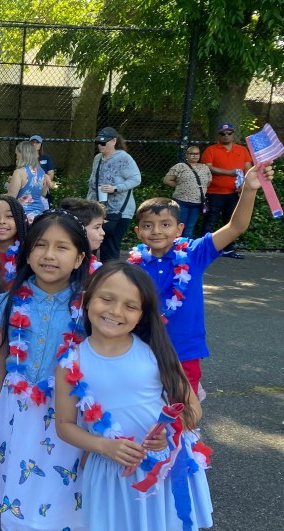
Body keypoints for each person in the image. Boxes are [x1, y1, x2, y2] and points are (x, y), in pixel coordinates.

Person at [54, 262, 211, 531]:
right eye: (107, 299)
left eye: (130, 306)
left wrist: (171, 432)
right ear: (87, 299)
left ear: (142, 313)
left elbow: (192, 409)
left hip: (170, 468)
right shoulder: (71, 362)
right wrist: (103, 446)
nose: (115, 311)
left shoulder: (156, 350)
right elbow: (65, 426)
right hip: (121, 477)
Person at [0, 210, 92, 531]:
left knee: (54, 516)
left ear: (80, 258)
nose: (49, 255)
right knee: (28, 507)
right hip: (17, 421)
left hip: (67, 423)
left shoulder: (92, 307)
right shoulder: (7, 303)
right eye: (40, 245)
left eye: (62, 247)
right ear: (26, 254)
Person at [127, 164, 269, 397]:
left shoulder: (194, 254)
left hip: (184, 351)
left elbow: (236, 227)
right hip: (142, 349)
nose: (156, 231)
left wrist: (249, 190)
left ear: (179, 229)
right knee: (145, 412)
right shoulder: (132, 266)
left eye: (165, 225)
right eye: (148, 226)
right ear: (138, 232)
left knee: (183, 413)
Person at [87, 126, 141, 262]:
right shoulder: (98, 158)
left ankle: (110, 278)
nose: (100, 145)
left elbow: (136, 179)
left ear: (113, 141)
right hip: (98, 210)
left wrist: (116, 188)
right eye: (98, 142)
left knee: (109, 247)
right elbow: (93, 183)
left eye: (103, 142)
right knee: (90, 245)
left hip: (119, 211)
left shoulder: (123, 158)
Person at [200, 124, 252, 259]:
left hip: (234, 193)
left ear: (233, 134)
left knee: (231, 221)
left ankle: (228, 250)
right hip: (215, 192)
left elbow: (248, 169)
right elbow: (208, 168)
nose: (226, 135)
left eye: (229, 133)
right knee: (210, 221)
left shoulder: (242, 150)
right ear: (219, 135)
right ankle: (203, 250)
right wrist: (229, 173)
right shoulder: (211, 150)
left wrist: (245, 186)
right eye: (223, 133)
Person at [163, 146, 212, 239]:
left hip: (197, 202)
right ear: (187, 155)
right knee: (179, 225)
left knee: (190, 227)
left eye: (197, 154)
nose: (194, 156)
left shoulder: (205, 168)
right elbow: (167, 180)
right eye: (192, 154)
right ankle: (174, 246)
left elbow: (208, 182)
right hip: (182, 201)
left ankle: (185, 247)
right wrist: (181, 187)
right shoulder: (180, 166)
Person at [59, 197, 106, 273]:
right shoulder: (71, 266)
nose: (103, 232)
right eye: (97, 227)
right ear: (78, 229)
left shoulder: (89, 260)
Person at [6, 140, 47, 219]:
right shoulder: (41, 171)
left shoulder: (19, 172)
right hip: (39, 214)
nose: (16, 157)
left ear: (22, 155)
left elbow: (10, 198)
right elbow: (43, 193)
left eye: (17, 154)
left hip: (22, 215)